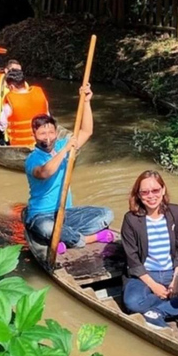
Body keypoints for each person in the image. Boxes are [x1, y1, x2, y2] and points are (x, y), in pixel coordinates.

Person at [24, 86, 114, 255]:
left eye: (51, 132)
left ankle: (62, 238)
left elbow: (86, 131)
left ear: (56, 133)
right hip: (41, 215)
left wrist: (86, 101)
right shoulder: (32, 159)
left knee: (106, 214)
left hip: (66, 212)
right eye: (42, 133)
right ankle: (86, 239)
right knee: (47, 227)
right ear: (34, 134)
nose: (48, 136)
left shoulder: (60, 144)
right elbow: (45, 172)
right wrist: (65, 151)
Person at [121, 170, 178, 328]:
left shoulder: (175, 212)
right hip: (145, 275)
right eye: (145, 192)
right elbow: (133, 260)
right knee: (132, 302)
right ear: (139, 195)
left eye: (155, 190)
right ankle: (174, 307)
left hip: (173, 272)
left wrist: (176, 279)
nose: (151, 196)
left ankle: (157, 311)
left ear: (163, 190)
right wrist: (154, 286)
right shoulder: (131, 219)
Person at [0, 69, 47, 145]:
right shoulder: (40, 94)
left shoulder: (10, 101)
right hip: (39, 138)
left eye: (8, 87)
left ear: (11, 87)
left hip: (19, 142)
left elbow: (2, 126)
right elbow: (47, 115)